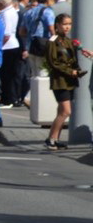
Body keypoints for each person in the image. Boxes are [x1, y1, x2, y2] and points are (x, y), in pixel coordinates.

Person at [44, 14, 92, 149]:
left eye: (69, 24)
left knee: (61, 110)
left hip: (69, 81)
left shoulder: (68, 41)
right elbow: (53, 62)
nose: (67, 27)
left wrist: (82, 51)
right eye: (64, 24)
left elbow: (73, 58)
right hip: (60, 80)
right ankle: (51, 139)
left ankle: (54, 138)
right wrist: (71, 72)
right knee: (66, 111)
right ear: (57, 25)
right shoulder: (53, 41)